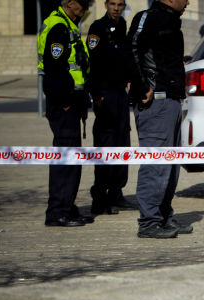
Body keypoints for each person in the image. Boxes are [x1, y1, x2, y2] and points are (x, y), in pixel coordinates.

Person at [128, 0, 192, 238]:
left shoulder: (171, 21)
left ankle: (164, 218)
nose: (188, 2)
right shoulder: (148, 17)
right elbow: (130, 49)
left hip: (172, 100)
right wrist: (141, 84)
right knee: (155, 165)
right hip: (156, 102)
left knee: (170, 166)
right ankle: (148, 223)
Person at [38, 0, 95, 227]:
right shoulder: (58, 27)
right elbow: (54, 69)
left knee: (72, 159)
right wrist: (64, 101)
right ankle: (57, 212)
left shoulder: (68, 25)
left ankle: (67, 207)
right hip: (64, 105)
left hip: (72, 103)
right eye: (82, 2)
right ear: (69, 3)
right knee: (65, 159)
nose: (86, 7)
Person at [87, 0, 137, 215]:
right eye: (113, 4)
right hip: (105, 93)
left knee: (121, 142)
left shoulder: (123, 25)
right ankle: (101, 196)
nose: (116, 8)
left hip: (119, 93)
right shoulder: (97, 28)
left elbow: (125, 58)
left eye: (120, 4)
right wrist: (96, 95)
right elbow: (93, 63)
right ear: (106, 4)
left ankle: (117, 192)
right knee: (106, 143)